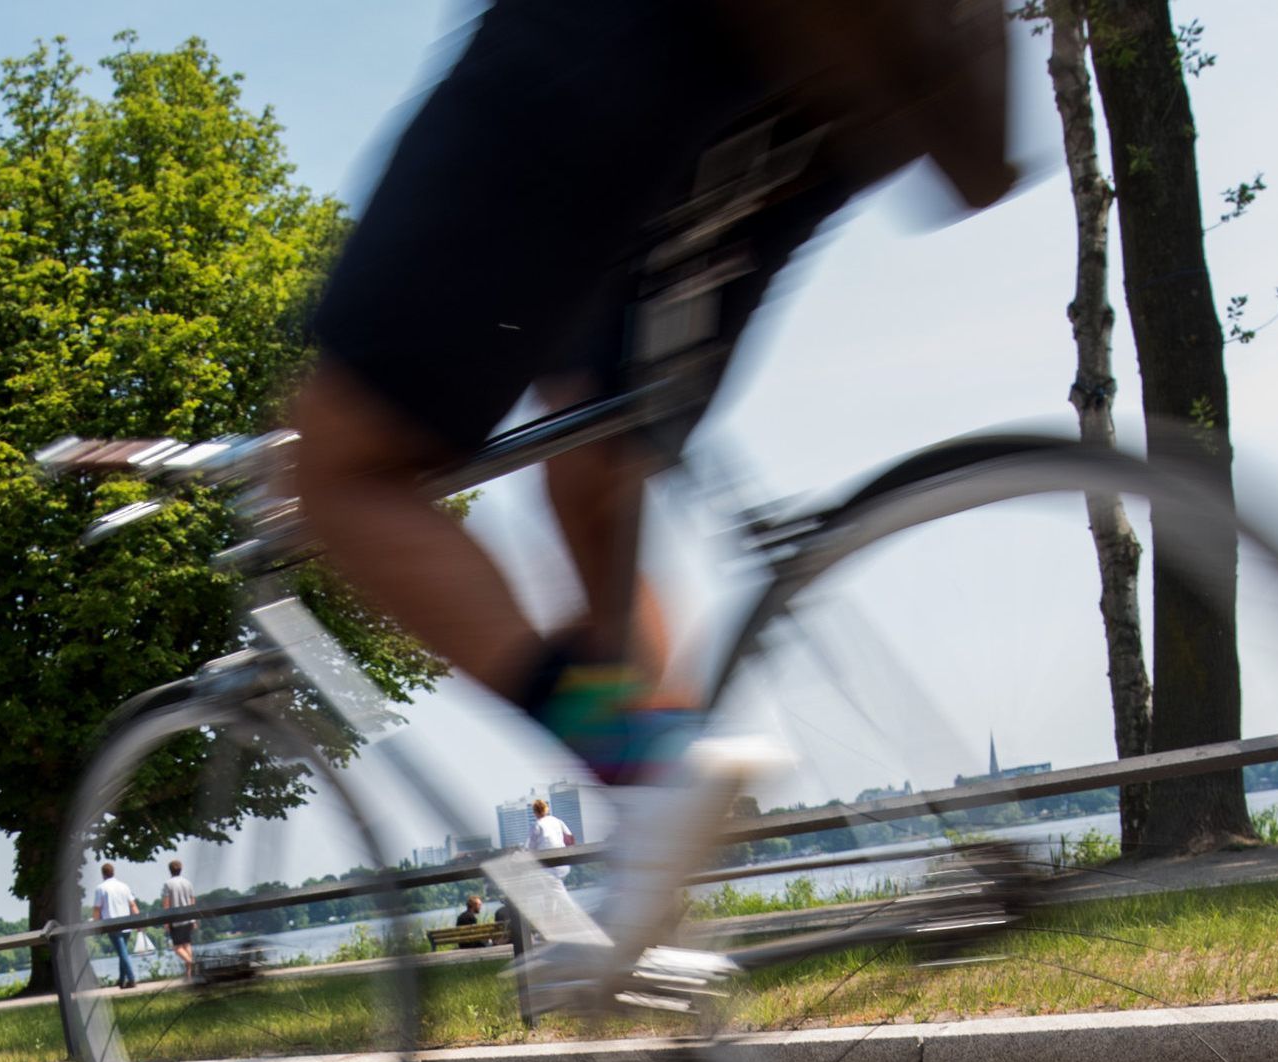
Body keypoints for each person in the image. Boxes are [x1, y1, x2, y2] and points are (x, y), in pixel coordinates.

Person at [291, 0, 1014, 795]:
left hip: (625, 34)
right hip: (834, 87)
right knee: (592, 462)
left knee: (339, 467)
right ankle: (663, 814)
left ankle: (644, 768)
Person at [90, 861, 140, 989]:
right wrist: (139, 921)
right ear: (113, 872)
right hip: (126, 923)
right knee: (122, 951)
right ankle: (122, 980)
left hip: (112, 924)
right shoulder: (124, 886)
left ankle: (131, 978)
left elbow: (97, 909)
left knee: (122, 953)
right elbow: (132, 904)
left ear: (103, 874)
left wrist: (96, 924)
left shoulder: (101, 888)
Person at [160, 857, 199, 973]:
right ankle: (189, 974)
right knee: (187, 944)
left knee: (177, 947)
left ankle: (191, 962)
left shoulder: (168, 884)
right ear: (181, 869)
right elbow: (193, 901)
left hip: (175, 919)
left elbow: (166, 904)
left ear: (170, 870)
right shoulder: (188, 883)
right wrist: (194, 919)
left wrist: (166, 921)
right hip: (188, 918)